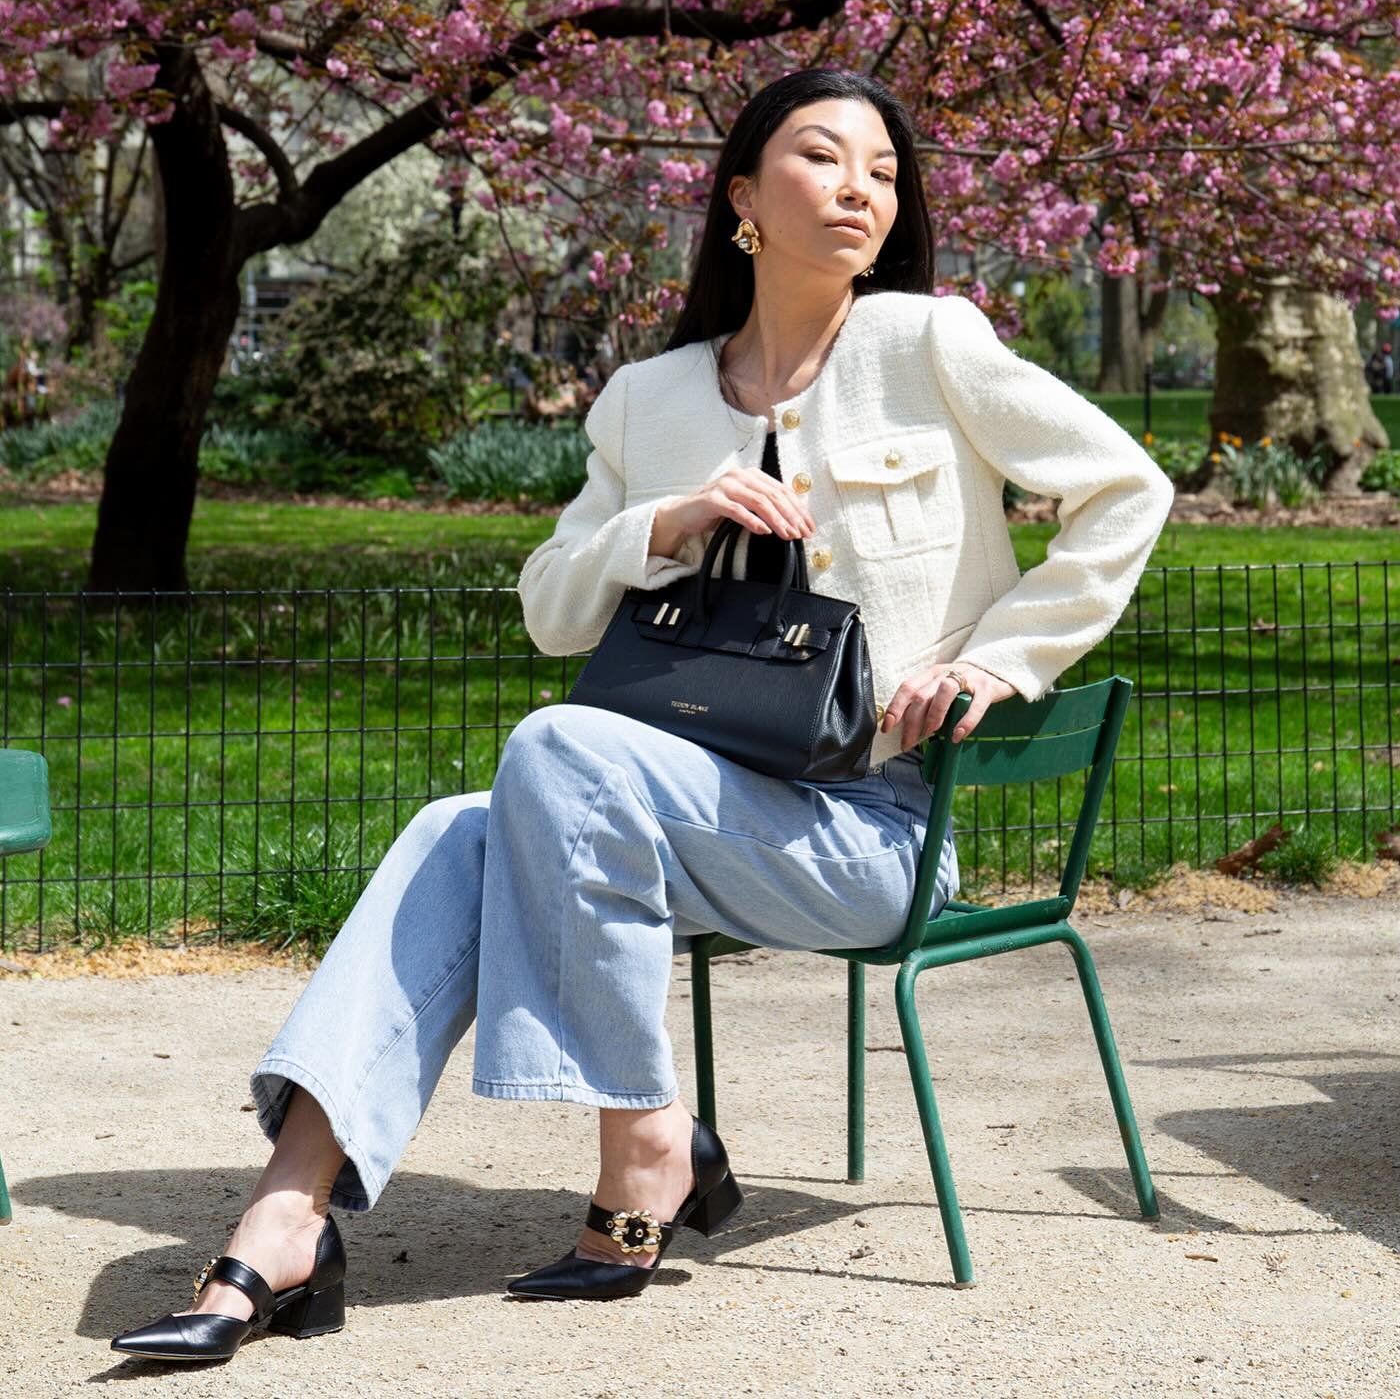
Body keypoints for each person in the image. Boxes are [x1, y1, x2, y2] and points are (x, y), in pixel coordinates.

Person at [109, 68, 1174, 1362]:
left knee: (545, 755)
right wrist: (659, 524)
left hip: (879, 829)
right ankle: (289, 1217)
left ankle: (645, 1144)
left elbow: (1126, 491)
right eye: (826, 159)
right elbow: (552, 606)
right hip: (674, 819)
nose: (862, 189)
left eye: (886, 171)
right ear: (742, 198)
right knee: (463, 826)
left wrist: (1004, 663)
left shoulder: (930, 345)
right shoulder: (647, 399)